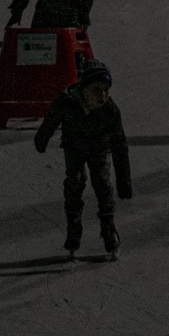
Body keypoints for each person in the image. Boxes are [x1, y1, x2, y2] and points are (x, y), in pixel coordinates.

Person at [34, 59, 132, 258]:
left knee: (103, 185)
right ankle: (74, 228)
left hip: (99, 149)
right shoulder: (67, 102)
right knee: (75, 182)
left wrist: (123, 181)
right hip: (75, 148)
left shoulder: (110, 111)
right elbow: (52, 119)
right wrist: (43, 137)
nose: (102, 95)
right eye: (96, 89)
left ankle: (108, 229)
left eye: (106, 89)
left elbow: (119, 145)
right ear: (83, 88)